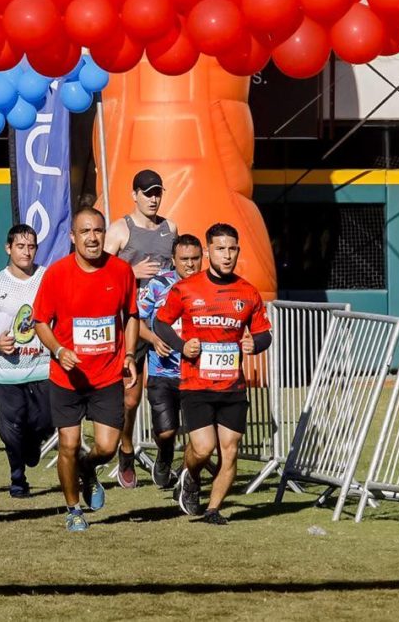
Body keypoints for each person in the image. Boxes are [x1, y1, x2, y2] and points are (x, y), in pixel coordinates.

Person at [155, 223, 272, 526]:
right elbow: (161, 324)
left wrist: (254, 343)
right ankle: (190, 476)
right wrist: (182, 346)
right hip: (196, 384)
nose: (227, 255)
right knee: (204, 449)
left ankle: (213, 509)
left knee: (230, 451)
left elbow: (264, 334)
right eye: (221, 249)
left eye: (232, 249)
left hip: (232, 386)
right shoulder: (187, 288)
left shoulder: (247, 292)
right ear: (208, 252)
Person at [32, 207, 139, 532]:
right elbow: (40, 322)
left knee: (106, 447)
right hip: (67, 377)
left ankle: (87, 468)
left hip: (107, 375)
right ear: (73, 237)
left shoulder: (121, 271)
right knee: (67, 443)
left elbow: (131, 314)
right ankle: (73, 509)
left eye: (98, 231)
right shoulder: (57, 273)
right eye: (86, 232)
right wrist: (59, 350)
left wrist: (130, 354)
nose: (93, 238)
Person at [103, 169, 178, 490]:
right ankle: (127, 449)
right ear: (134, 195)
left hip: (164, 325)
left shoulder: (170, 228)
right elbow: (101, 277)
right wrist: (130, 271)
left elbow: (179, 272)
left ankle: (166, 457)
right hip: (129, 324)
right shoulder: (120, 230)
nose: (153, 198)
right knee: (130, 399)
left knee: (171, 394)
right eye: (147, 193)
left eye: (157, 192)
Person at [0, 224, 53, 498]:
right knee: (11, 430)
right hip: (7, 369)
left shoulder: (48, 277)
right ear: (8, 249)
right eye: (20, 246)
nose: (26, 252)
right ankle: (17, 476)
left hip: (43, 366)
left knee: (45, 421)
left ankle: (33, 444)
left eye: (31, 246)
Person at [136, 234, 203, 488]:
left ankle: (187, 480)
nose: (189, 264)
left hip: (196, 374)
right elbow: (136, 320)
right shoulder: (157, 284)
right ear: (173, 259)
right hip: (162, 371)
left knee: (198, 436)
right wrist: (153, 339)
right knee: (166, 431)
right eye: (184, 259)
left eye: (195, 259)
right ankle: (164, 455)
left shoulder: (208, 286)